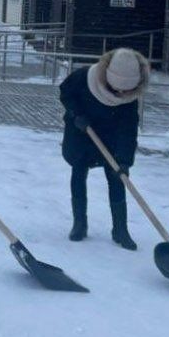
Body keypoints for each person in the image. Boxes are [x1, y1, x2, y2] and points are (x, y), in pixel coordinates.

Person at [59, 48, 150, 251]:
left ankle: (120, 230)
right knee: (78, 171)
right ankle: (79, 224)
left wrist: (124, 161)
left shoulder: (129, 99)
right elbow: (65, 93)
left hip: (111, 137)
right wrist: (76, 114)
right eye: (116, 89)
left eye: (124, 91)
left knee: (117, 177)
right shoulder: (83, 77)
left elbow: (128, 129)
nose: (120, 94)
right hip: (83, 131)